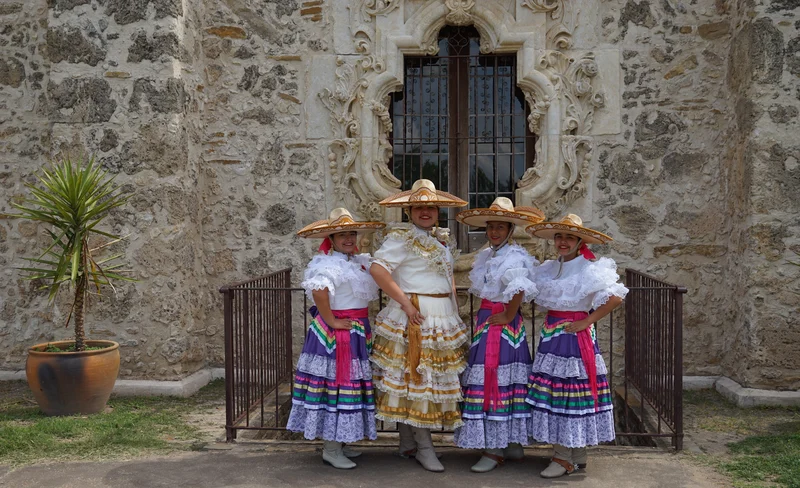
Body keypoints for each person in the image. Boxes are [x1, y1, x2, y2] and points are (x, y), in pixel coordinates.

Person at [369, 179, 468, 473]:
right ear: (409, 211)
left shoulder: (440, 238)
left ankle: (407, 444)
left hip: (441, 315)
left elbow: (446, 275)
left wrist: (453, 303)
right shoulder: (401, 238)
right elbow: (377, 269)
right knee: (418, 380)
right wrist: (406, 303)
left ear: (438, 210)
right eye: (419, 207)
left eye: (430, 207)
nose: (425, 211)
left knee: (422, 381)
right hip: (417, 315)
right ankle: (424, 449)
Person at [524, 214, 628, 478]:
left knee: (569, 394)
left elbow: (615, 297)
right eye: (559, 236)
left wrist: (588, 321)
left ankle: (563, 458)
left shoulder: (589, 266)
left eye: (569, 237)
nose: (562, 242)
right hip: (552, 336)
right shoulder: (550, 267)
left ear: (579, 241)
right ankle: (576, 455)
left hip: (573, 338)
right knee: (559, 393)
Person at [286, 208, 385, 469]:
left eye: (352, 233)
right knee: (337, 385)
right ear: (332, 238)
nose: (349, 238)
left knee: (349, 384)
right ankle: (331, 447)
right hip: (338, 333)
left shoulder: (356, 261)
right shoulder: (327, 262)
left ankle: (341, 440)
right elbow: (319, 290)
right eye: (342, 235)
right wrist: (331, 321)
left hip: (354, 330)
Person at [452, 197, 545, 473]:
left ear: (510, 230)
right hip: (491, 322)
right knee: (504, 380)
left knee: (494, 379)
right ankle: (510, 444)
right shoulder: (491, 255)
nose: (494, 232)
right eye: (491, 227)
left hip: (500, 326)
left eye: (500, 227)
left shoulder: (513, 256)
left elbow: (518, 287)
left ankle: (494, 449)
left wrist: (507, 314)